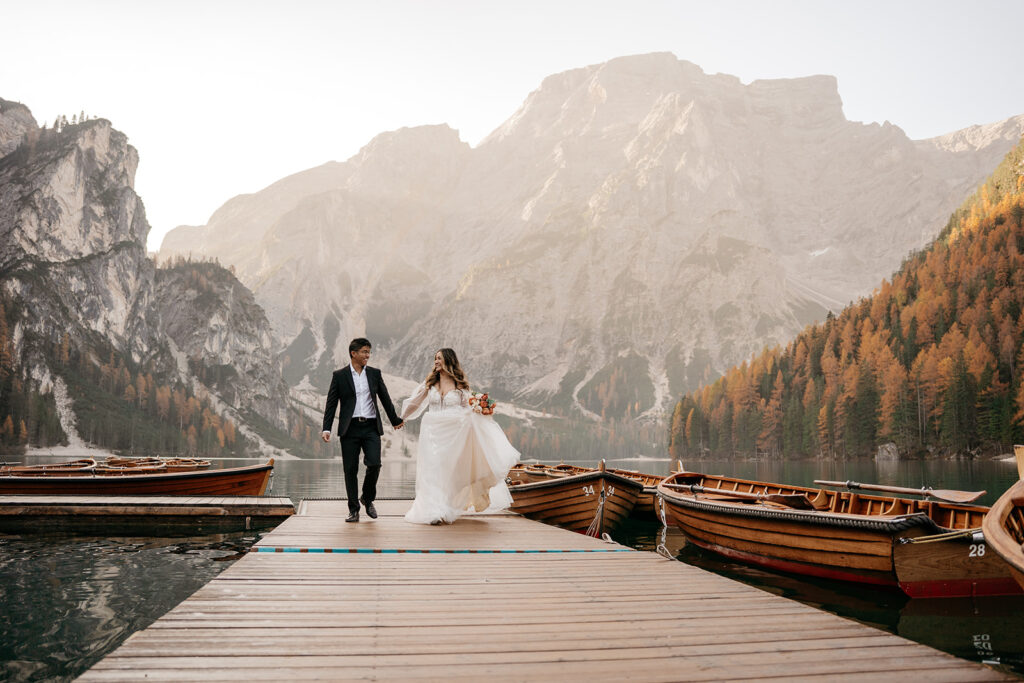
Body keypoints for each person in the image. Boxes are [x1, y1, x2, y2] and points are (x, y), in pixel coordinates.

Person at [400, 348, 519, 525]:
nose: (436, 362)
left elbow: (468, 409)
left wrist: (480, 410)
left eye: (439, 358)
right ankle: (432, 510)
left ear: (449, 361)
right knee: (431, 471)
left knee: (448, 473)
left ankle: (443, 508)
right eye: (435, 359)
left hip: (454, 435)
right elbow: (416, 402)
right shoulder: (430, 383)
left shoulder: (460, 386)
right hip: (432, 433)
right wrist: (401, 418)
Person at [321, 337, 404, 523]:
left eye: (369, 352)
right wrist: (326, 428)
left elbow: (384, 398)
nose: (368, 355)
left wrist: (394, 419)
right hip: (349, 429)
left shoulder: (374, 373)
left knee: (374, 464)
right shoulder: (339, 375)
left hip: (370, 427)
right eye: (365, 352)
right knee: (350, 470)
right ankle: (354, 510)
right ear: (354, 353)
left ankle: (367, 498)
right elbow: (331, 404)